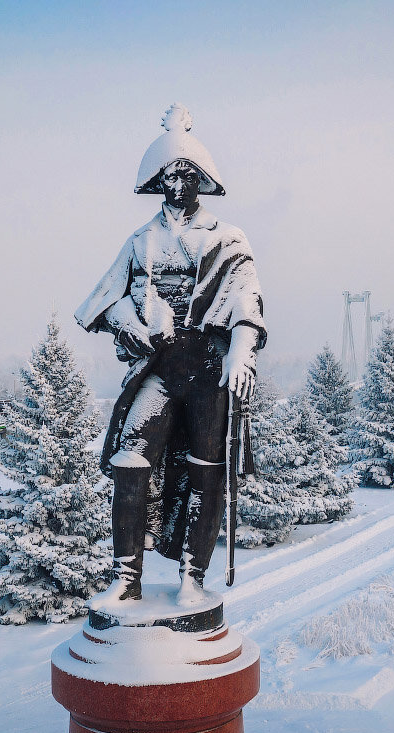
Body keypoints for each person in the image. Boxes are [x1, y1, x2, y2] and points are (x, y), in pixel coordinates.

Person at [74, 104, 265, 606]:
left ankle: (192, 577)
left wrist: (242, 351)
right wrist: (129, 323)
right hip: (158, 369)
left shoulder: (228, 238)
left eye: (187, 173)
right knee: (129, 460)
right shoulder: (141, 242)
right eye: (170, 173)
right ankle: (126, 577)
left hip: (207, 368)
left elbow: (248, 298)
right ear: (158, 181)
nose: (178, 182)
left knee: (206, 468)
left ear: (201, 179)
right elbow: (102, 298)